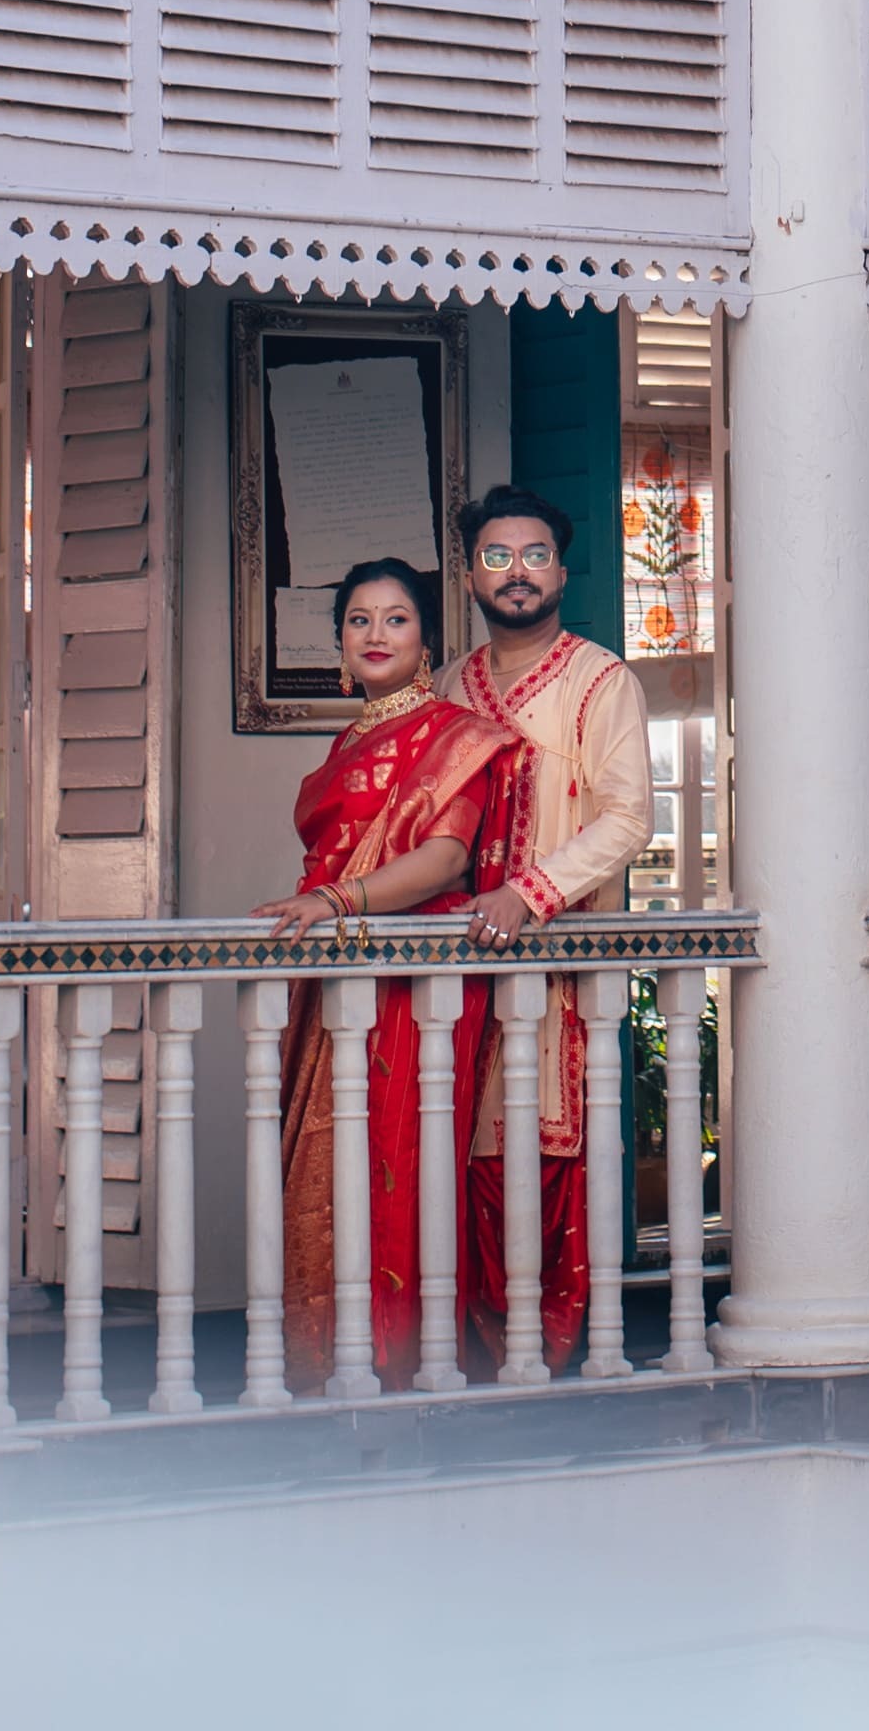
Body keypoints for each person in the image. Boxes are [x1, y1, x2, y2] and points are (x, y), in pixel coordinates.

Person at [262, 557, 528, 1370]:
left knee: (397, 1166)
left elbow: (447, 861)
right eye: (359, 621)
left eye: (397, 619)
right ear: (341, 645)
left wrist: (336, 903)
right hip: (339, 971)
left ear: (426, 644)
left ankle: (403, 1362)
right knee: (328, 1163)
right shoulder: (351, 739)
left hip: (417, 984)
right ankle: (334, 1361)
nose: (376, 634)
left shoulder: (456, 737)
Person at [442, 484, 647, 1362]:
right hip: (457, 971)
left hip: (555, 971)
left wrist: (531, 892)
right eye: (497, 557)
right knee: (451, 1153)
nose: (516, 574)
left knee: (546, 1154)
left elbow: (630, 819)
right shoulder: (448, 684)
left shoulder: (602, 680)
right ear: (469, 577)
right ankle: (474, 1361)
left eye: (533, 556)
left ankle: (549, 1360)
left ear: (561, 570)